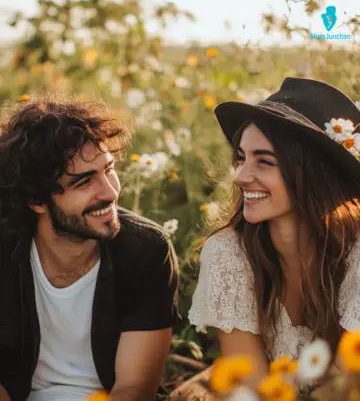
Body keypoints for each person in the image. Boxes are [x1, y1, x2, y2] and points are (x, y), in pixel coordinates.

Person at [0, 95, 179, 401]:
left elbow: (135, 390)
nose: (110, 192)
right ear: (36, 200)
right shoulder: (5, 248)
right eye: (84, 183)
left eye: (108, 170)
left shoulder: (146, 252)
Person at [188, 77, 360, 385]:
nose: (241, 177)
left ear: (311, 173)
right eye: (240, 158)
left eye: (264, 162)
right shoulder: (228, 254)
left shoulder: (356, 253)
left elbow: (346, 385)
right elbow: (253, 387)